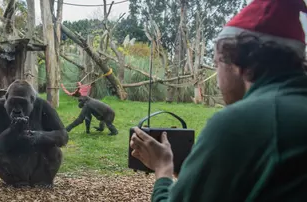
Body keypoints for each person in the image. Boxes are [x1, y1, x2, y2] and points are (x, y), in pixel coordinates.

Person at [130, 0, 307, 201]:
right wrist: (197, 174)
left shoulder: (241, 123)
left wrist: (163, 169)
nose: (217, 79)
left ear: (237, 62)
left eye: (216, 64)